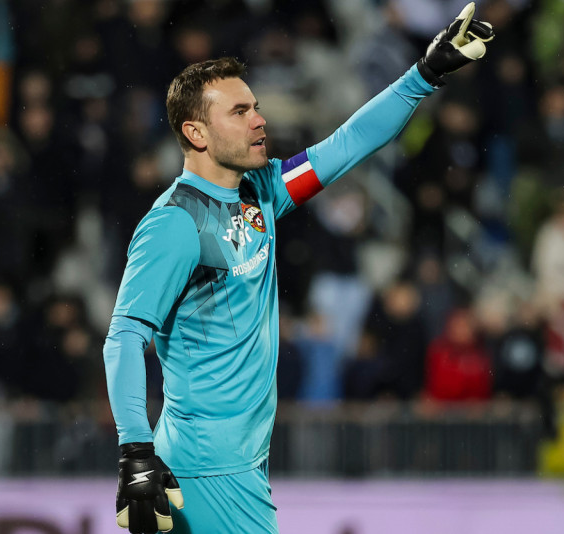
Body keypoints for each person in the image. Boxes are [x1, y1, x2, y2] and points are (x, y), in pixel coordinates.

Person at [103, 4, 494, 533]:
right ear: (196, 133)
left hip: (233, 462)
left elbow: (348, 143)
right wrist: (135, 452)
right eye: (239, 112)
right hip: (210, 470)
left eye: (255, 107)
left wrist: (423, 75)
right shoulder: (175, 223)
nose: (259, 119)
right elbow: (125, 336)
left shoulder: (263, 191)